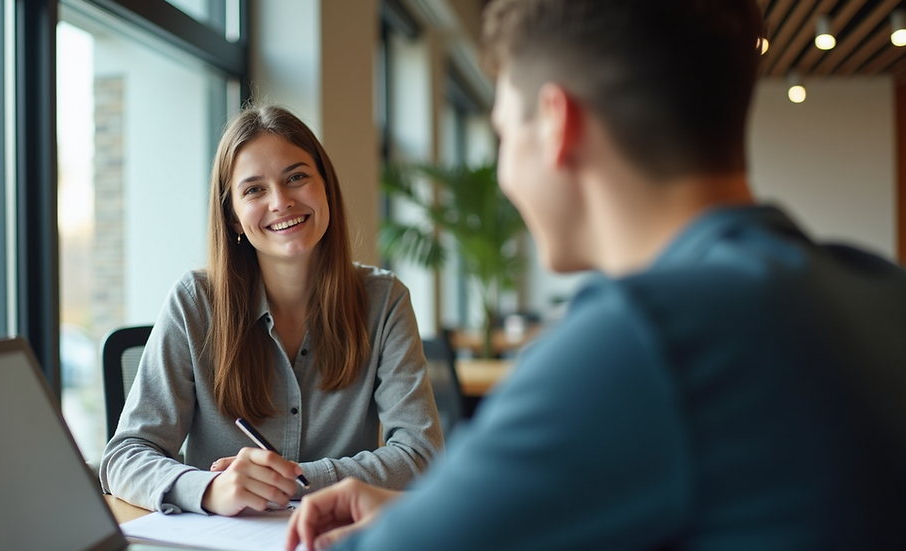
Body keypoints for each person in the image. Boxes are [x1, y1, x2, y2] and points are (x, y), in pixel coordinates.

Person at [285, 1, 906, 549]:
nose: (504, 175)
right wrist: (425, 512)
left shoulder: (644, 336)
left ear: (556, 123)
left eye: (504, 133)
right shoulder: (877, 291)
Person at [99, 105, 444, 516]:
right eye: (254, 190)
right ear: (233, 217)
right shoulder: (194, 302)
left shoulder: (384, 301)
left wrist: (296, 480)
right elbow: (124, 457)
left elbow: (421, 455)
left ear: (326, 187)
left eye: (296, 177)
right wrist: (210, 489)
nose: (281, 201)